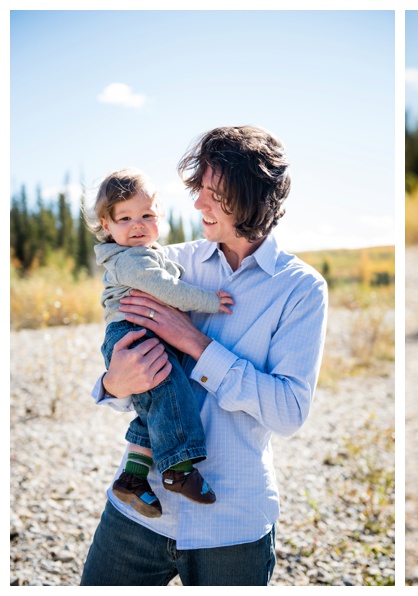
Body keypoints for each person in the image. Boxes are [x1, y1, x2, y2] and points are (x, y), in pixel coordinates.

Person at [80, 126, 328, 586]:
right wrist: (114, 384)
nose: (197, 205)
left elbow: (290, 413)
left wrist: (196, 343)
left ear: (251, 197)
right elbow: (120, 361)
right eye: (198, 192)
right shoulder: (167, 262)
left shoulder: (301, 289)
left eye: (213, 194)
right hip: (139, 511)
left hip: (231, 523)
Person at [89, 168, 235, 518]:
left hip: (142, 330)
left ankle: (133, 478)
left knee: (153, 402)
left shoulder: (150, 253)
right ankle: (178, 470)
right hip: (131, 332)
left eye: (147, 215)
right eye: (124, 218)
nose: (137, 224)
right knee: (168, 388)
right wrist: (210, 301)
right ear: (106, 226)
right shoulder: (130, 260)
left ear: (161, 218)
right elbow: (168, 291)